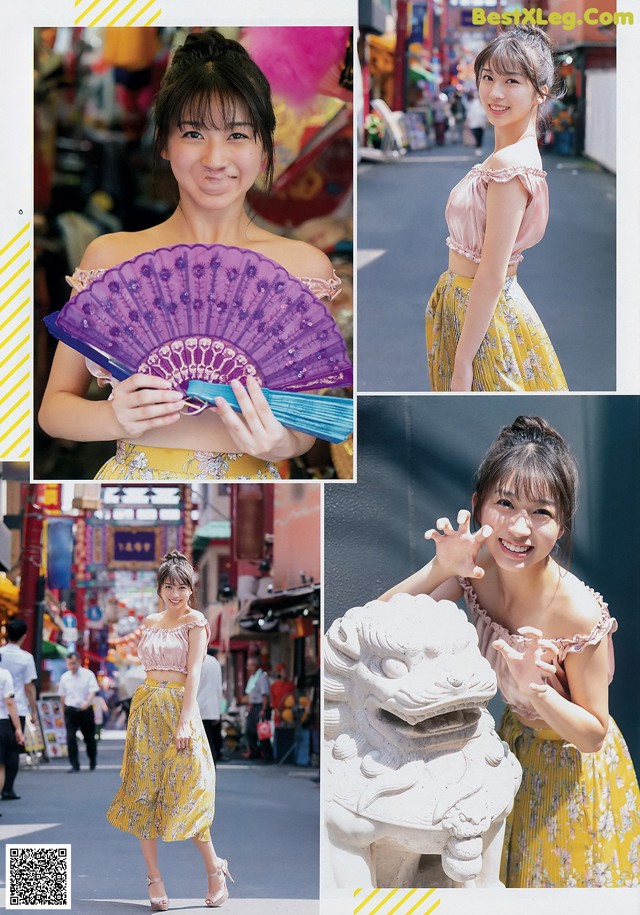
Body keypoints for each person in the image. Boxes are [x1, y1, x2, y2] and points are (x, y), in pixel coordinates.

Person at [38, 28, 342, 481]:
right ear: (164, 143)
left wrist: (281, 442)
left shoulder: (303, 269)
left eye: (238, 134)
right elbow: (54, 411)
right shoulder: (111, 257)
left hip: (252, 488)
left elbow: (309, 423)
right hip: (133, 482)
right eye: (194, 132)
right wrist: (114, 419)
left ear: (264, 148)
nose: (215, 158)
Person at [379, 415, 640, 888]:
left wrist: (534, 692)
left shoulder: (580, 614)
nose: (520, 528)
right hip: (513, 759)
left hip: (578, 780)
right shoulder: (474, 563)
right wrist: (438, 567)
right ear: (479, 505)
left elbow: (594, 735)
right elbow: (379, 625)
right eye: (505, 503)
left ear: (560, 527)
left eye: (542, 512)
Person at [425, 26, 567, 392]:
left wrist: (462, 365)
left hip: (483, 317)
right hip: (471, 308)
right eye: (487, 77)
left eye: (512, 81)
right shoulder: (508, 158)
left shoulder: (509, 167)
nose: (495, 92)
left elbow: (491, 273)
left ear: (541, 92)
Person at [106, 551, 232, 910]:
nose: (175, 593)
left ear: (191, 590)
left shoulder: (196, 622)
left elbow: (194, 673)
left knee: (187, 792)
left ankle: (214, 870)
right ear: (159, 588)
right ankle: (154, 878)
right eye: (168, 586)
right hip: (146, 707)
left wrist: (185, 721)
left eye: (182, 587)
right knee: (143, 793)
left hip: (178, 708)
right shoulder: (149, 621)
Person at [0, 619, 38, 800]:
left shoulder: (1, 653)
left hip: (2, 708)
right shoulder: (26, 658)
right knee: (14, 749)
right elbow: (29, 687)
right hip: (19, 708)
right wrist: (34, 711)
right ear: (24, 635)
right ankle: (8, 788)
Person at [59, 652, 99, 772]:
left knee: (89, 738)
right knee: (70, 738)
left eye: (73, 663)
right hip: (70, 710)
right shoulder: (64, 677)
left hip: (85, 710)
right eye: (69, 663)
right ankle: (74, 764)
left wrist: (87, 702)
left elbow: (93, 690)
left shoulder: (88, 674)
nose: (72, 665)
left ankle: (92, 759)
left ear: (79, 662)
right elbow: (62, 696)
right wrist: (62, 711)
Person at [0, 664, 25, 816]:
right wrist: (18, 728)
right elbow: (9, 702)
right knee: (0, 766)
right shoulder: (4, 674)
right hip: (1, 721)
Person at [243, 654, 272, 761]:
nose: (248, 668)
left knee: (262, 732)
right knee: (250, 731)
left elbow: (265, 695)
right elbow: (250, 694)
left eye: (250, 665)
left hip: (260, 707)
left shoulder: (261, 677)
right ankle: (255, 752)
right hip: (253, 707)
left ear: (255, 666)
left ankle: (267, 755)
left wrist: (263, 709)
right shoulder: (252, 677)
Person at [197, 647, 224, 762]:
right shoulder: (214, 662)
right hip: (212, 708)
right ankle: (211, 769)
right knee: (210, 741)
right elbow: (219, 688)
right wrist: (219, 710)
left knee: (200, 742)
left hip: (197, 706)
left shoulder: (196, 660)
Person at [464, 90, 486, 156]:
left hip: (481, 124)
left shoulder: (483, 104)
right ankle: (477, 148)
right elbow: (470, 113)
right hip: (474, 124)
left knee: (480, 136)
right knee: (476, 136)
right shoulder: (474, 103)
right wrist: (468, 121)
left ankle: (479, 148)